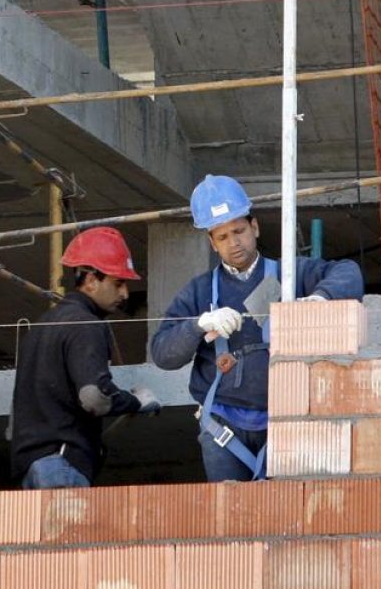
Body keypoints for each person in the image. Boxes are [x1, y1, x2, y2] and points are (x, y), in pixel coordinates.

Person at [150, 175, 363, 482]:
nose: (233, 242)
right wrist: (198, 325)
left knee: (285, 515)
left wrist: (319, 298)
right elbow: (162, 353)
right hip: (223, 428)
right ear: (212, 242)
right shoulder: (198, 293)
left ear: (255, 227)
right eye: (222, 237)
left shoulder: (290, 275)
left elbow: (349, 272)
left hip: (286, 419)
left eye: (238, 231)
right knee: (232, 520)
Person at [10, 227, 161, 490]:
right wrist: (135, 401)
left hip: (30, 467)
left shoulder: (41, 327)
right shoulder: (86, 324)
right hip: (61, 464)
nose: (125, 294)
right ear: (91, 280)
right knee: (70, 533)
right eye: (118, 283)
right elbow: (94, 398)